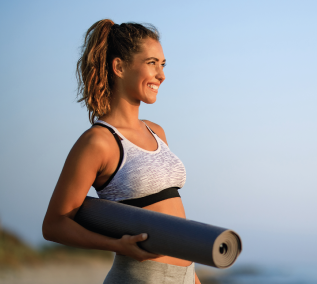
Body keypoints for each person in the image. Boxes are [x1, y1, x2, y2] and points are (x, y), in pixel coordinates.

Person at [42, 19, 201, 284]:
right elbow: (55, 224)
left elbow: (173, 221)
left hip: (186, 275)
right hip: (140, 277)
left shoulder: (157, 132)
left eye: (162, 65)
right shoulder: (98, 142)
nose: (161, 75)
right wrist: (117, 245)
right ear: (119, 67)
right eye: (152, 63)